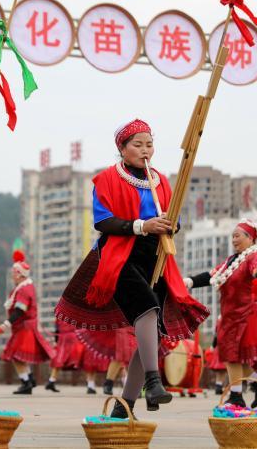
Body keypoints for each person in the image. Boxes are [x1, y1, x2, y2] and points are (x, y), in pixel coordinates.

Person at [55, 119, 209, 418]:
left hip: (155, 255)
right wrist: (142, 225)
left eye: (149, 144)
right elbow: (102, 222)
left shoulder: (161, 180)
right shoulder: (107, 179)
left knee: (153, 329)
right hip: (119, 254)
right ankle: (153, 380)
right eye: (137, 145)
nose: (145, 150)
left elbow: (172, 219)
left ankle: (124, 405)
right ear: (122, 149)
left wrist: (170, 224)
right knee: (147, 308)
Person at [184, 220, 257, 408]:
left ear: (250, 238)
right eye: (233, 236)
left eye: (238, 235)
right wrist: (189, 281)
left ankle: (237, 396)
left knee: (233, 356)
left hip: (245, 314)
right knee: (235, 357)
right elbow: (212, 275)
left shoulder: (254, 255)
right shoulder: (231, 261)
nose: (234, 239)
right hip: (230, 314)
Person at [0, 250, 54, 395]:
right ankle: (29, 379)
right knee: (19, 356)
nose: (12, 275)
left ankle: (26, 382)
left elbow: (20, 310)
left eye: (14, 273)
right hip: (24, 327)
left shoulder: (23, 290)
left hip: (24, 327)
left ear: (20, 274)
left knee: (16, 356)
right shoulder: (26, 287)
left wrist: (6, 324)